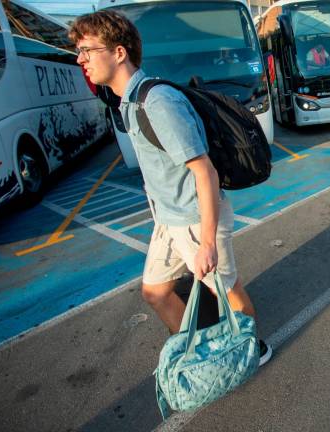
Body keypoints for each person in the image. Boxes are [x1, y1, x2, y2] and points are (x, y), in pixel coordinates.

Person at [68, 10, 272, 363]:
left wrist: (207, 241)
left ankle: (253, 349)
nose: (80, 58)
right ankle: (198, 356)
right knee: (156, 292)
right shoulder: (129, 101)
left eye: (88, 49)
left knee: (227, 289)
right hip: (170, 219)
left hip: (195, 218)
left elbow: (204, 171)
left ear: (119, 53)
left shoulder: (157, 102)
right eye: (79, 51)